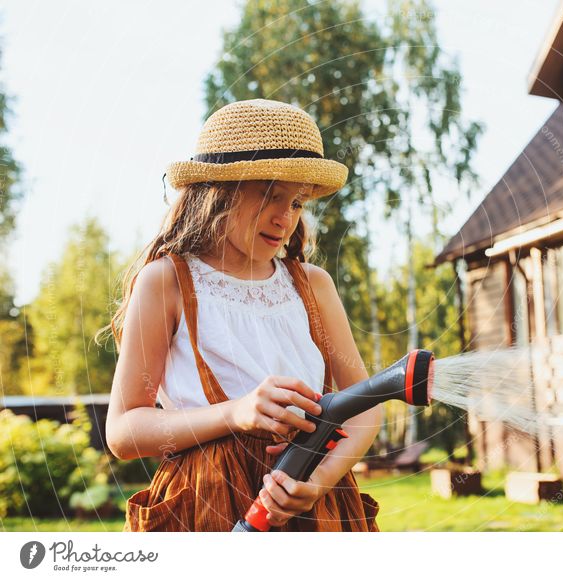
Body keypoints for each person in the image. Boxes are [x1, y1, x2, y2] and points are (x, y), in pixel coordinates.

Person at [103, 99, 381, 532]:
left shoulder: (313, 286)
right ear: (220, 190)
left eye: (297, 203)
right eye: (271, 196)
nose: (285, 219)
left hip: (314, 505)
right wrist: (235, 413)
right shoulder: (168, 282)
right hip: (206, 502)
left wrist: (319, 480)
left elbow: (364, 409)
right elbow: (123, 431)